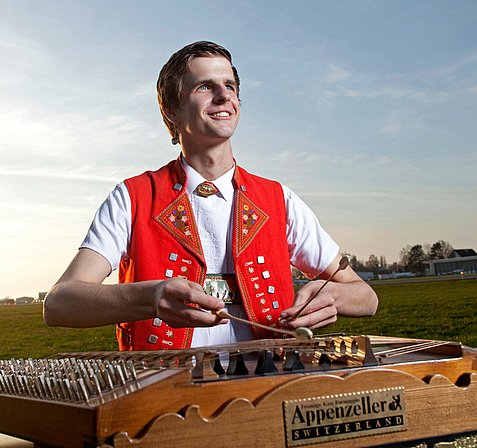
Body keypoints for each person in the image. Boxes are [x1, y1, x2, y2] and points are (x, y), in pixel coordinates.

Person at [43, 41, 378, 350]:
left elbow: (366, 297)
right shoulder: (133, 197)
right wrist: (151, 296)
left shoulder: (279, 199)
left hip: (270, 388)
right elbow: (60, 304)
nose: (223, 96)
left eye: (229, 86)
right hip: (162, 395)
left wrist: (333, 295)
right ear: (171, 110)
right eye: (205, 86)